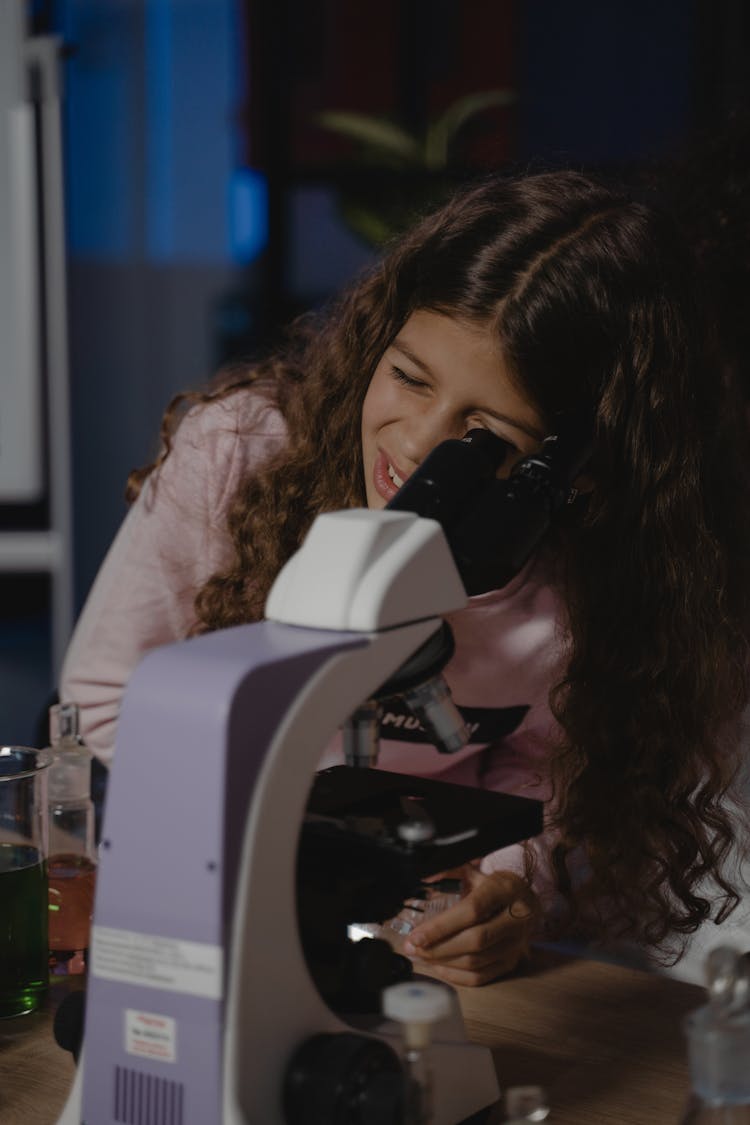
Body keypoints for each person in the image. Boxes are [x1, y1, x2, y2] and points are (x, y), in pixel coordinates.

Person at [61, 169, 750, 987]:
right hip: (221, 878)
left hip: (416, 918)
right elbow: (104, 697)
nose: (419, 442)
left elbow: (548, 768)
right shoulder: (237, 456)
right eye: (410, 377)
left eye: (486, 432)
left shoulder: (595, 585)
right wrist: (286, 836)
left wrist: (508, 882)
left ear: (576, 477)